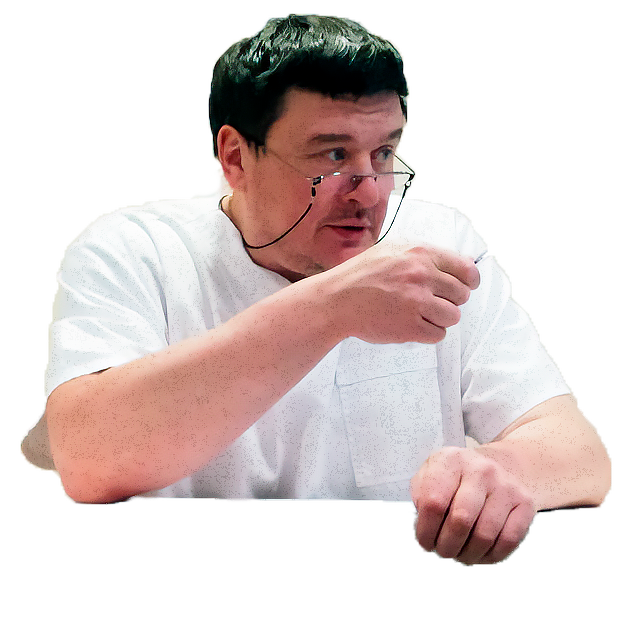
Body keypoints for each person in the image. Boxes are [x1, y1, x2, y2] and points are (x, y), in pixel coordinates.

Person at [29, 14, 610, 565]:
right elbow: (87, 457)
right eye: (333, 156)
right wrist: (331, 307)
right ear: (235, 157)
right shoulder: (138, 252)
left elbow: (577, 453)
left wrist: (499, 473)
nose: (370, 192)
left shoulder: (439, 246)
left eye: (383, 153)